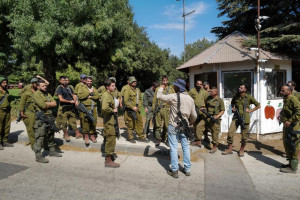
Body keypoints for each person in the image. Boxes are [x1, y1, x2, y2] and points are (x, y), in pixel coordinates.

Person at [157, 79, 197, 178]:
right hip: (185, 126)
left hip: (174, 125)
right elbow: (194, 115)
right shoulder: (191, 99)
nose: (173, 87)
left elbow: (159, 96)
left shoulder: (174, 97)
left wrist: (161, 87)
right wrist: (190, 122)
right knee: (185, 147)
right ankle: (187, 169)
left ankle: (174, 170)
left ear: (178, 87)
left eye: (175, 86)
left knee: (173, 148)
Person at [222, 84, 261, 157]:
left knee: (244, 136)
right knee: (230, 132)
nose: (239, 88)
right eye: (239, 87)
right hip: (236, 117)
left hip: (245, 119)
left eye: (241, 88)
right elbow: (232, 103)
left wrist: (250, 110)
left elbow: (258, 105)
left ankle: (242, 149)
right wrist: (233, 108)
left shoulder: (249, 97)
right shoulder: (236, 96)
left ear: (245, 89)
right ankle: (230, 149)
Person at [32, 80, 61, 163]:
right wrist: (49, 104)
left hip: (49, 117)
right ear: (38, 87)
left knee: (51, 134)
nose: (45, 87)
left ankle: (52, 151)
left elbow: (55, 103)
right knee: (40, 136)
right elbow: (43, 105)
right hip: (41, 119)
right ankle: (38, 156)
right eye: (43, 86)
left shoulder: (47, 94)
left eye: (45, 85)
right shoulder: (36, 94)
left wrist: (48, 103)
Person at [279, 85, 300, 173]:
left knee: (293, 144)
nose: (281, 92)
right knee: (287, 142)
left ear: (289, 91)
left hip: (292, 125)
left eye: (283, 90)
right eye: (281, 90)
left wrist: (290, 121)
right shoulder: (286, 99)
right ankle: (290, 163)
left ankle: (293, 168)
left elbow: (299, 111)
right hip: (286, 125)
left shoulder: (293, 99)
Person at [101, 78, 120, 168]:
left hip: (111, 120)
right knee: (110, 139)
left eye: (114, 85)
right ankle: (108, 161)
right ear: (107, 87)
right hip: (109, 122)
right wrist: (112, 110)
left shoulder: (110, 94)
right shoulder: (106, 95)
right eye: (112, 86)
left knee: (110, 139)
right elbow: (104, 108)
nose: (114, 87)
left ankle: (110, 156)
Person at [123, 76, 149, 143]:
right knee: (130, 124)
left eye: (135, 81)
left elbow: (140, 99)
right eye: (133, 81)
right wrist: (132, 107)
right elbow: (126, 101)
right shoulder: (127, 90)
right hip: (130, 110)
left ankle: (141, 136)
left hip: (137, 109)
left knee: (139, 123)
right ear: (130, 82)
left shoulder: (138, 90)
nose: (134, 82)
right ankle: (130, 137)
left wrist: (139, 106)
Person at [56, 76, 82, 142]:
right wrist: (70, 101)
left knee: (73, 120)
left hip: (71, 107)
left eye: (66, 80)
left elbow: (73, 95)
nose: (65, 81)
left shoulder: (69, 88)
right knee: (64, 122)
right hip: (64, 108)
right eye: (63, 80)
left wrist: (75, 100)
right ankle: (66, 134)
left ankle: (77, 133)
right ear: (60, 81)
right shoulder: (59, 88)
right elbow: (60, 99)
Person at [152, 75, 175, 146]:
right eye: (163, 80)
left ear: (167, 81)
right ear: (162, 81)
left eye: (166, 80)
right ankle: (158, 139)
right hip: (159, 108)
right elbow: (155, 100)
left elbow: (174, 99)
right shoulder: (158, 88)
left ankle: (166, 138)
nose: (165, 82)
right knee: (158, 125)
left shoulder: (171, 89)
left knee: (167, 125)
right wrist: (154, 109)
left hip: (167, 109)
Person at [77, 76, 100, 145]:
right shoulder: (81, 88)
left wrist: (91, 96)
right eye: (88, 81)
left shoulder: (94, 89)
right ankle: (86, 136)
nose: (89, 82)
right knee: (85, 122)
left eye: (90, 81)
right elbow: (80, 96)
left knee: (93, 121)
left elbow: (97, 96)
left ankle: (92, 135)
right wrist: (89, 93)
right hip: (85, 108)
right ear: (85, 81)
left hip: (93, 108)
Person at [202, 87, 225, 153]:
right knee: (203, 127)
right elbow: (205, 106)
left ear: (216, 93)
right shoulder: (208, 98)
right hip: (208, 117)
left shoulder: (220, 100)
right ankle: (205, 139)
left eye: (212, 92)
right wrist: (203, 110)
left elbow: (222, 110)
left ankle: (214, 146)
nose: (210, 92)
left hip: (215, 118)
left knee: (214, 133)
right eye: (210, 91)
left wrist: (217, 116)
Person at [19, 77, 39, 149]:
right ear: (33, 84)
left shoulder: (39, 92)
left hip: (38, 113)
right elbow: (21, 104)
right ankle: (34, 146)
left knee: (38, 129)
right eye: (36, 83)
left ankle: (38, 143)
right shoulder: (26, 93)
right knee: (31, 129)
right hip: (29, 113)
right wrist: (21, 113)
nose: (38, 85)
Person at [188, 80, 209, 147]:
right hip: (195, 110)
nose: (199, 85)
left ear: (202, 85)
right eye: (198, 84)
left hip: (203, 110)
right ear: (195, 84)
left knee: (204, 125)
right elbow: (188, 100)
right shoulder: (192, 91)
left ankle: (206, 137)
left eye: (200, 84)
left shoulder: (205, 92)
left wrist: (206, 109)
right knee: (195, 125)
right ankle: (198, 140)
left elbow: (207, 101)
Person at [0, 76, 13, 150]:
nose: (5, 84)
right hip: (0, 111)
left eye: (6, 82)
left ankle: (4, 141)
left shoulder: (6, 91)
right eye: (3, 83)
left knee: (7, 126)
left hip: (7, 110)